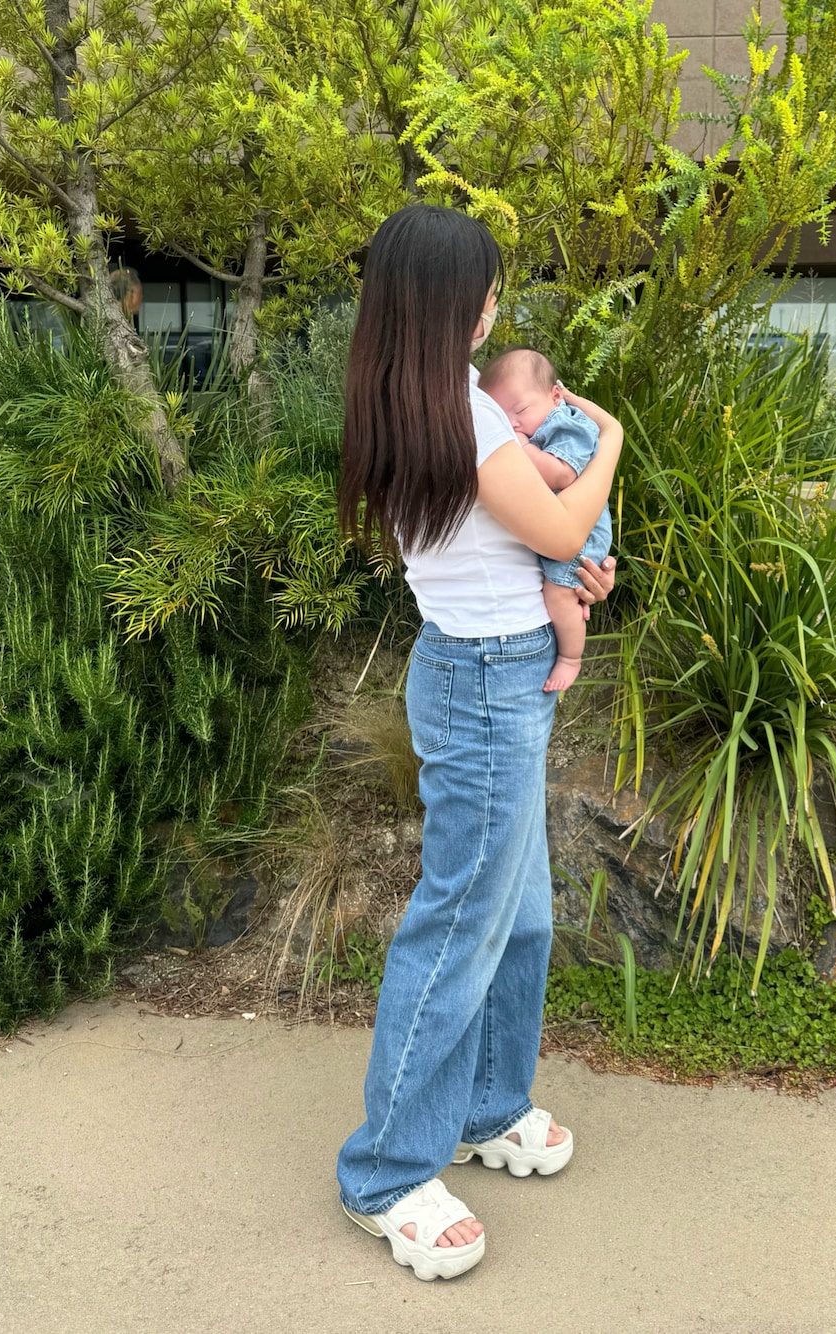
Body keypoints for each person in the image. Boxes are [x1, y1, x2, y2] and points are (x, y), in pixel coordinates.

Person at [336, 204, 621, 1282]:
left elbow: (528, 548)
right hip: (484, 682)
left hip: (492, 670)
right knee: (460, 922)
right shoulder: (462, 417)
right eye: (490, 291)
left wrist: (572, 577)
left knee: (521, 911)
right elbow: (560, 522)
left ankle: (486, 1105)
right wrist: (612, 444)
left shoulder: (417, 397)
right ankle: (385, 1171)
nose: (498, 308)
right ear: (457, 302)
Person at [478, 347, 612, 692]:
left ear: (555, 396)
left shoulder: (566, 424)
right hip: (564, 526)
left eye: (520, 411)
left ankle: (571, 656)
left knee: (558, 593)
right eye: (503, 417)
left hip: (584, 533)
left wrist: (522, 449)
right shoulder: (534, 425)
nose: (513, 424)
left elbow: (562, 474)